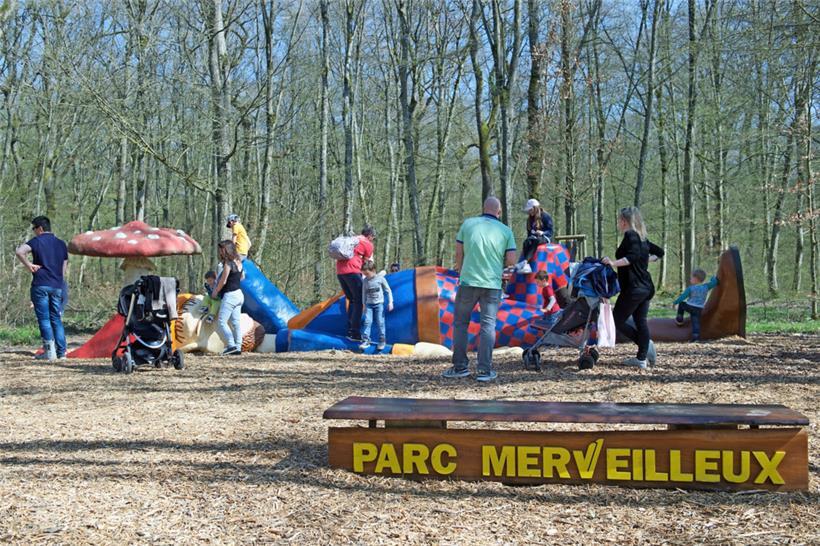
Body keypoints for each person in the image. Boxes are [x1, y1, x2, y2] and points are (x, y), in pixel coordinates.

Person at [443, 197, 517, 382]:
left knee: (461, 324)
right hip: (492, 284)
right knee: (488, 325)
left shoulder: (468, 224)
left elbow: (459, 253)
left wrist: (460, 269)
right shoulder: (506, 231)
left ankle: (460, 366)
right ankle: (484, 370)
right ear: (498, 212)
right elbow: (511, 260)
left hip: (468, 281)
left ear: (483, 208)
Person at [601, 206, 664, 370]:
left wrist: (613, 263)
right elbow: (659, 253)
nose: (618, 223)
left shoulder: (631, 236)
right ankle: (642, 356)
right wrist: (646, 259)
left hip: (634, 288)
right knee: (640, 321)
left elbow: (632, 257)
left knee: (616, 321)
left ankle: (645, 346)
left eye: (618, 220)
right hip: (646, 287)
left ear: (624, 221)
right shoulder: (642, 238)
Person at [15, 216, 69, 361]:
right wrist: (59, 281)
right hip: (57, 285)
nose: (33, 232)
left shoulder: (36, 241)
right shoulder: (61, 243)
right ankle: (62, 353)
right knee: (56, 318)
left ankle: (49, 352)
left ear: (40, 228)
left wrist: (29, 266)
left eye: (34, 228)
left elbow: (20, 252)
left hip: (41, 284)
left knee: (44, 319)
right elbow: (64, 266)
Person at [336, 225, 375, 342]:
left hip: (340, 272)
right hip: (353, 271)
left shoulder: (352, 239)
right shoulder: (367, 243)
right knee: (359, 301)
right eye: (373, 237)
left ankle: (349, 330)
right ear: (370, 236)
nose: (373, 239)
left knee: (352, 300)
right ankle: (355, 333)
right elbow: (367, 264)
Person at [214, 240, 245, 356]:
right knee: (236, 322)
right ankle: (238, 347)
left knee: (221, 322)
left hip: (230, 295)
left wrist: (216, 291)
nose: (220, 252)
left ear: (226, 249)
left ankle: (231, 345)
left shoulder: (228, 263)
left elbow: (223, 280)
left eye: (221, 250)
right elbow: (242, 277)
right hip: (239, 294)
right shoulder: (239, 261)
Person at [674, 269, 718, 342]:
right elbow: (714, 283)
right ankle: (696, 337)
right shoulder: (706, 286)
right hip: (699, 308)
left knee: (681, 304)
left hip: (690, 306)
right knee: (696, 322)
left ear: (695, 279)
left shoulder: (691, 288)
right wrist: (713, 277)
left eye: (691, 278)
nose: (690, 279)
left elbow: (683, 297)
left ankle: (679, 319)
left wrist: (675, 302)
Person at [359, 260, 393, 351]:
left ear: (373, 270)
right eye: (364, 274)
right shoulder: (365, 281)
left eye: (367, 273)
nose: (366, 275)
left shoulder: (380, 279)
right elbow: (364, 293)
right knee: (367, 321)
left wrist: (390, 302)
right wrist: (364, 305)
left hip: (379, 304)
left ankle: (382, 340)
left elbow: (388, 290)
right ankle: (366, 340)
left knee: (380, 322)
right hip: (369, 305)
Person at [516, 199, 554, 272]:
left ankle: (526, 262)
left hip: (545, 238)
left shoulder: (545, 216)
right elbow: (529, 233)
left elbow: (550, 231)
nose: (529, 212)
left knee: (536, 241)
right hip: (534, 238)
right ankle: (523, 262)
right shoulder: (530, 219)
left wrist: (542, 233)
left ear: (535, 208)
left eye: (530, 210)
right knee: (527, 242)